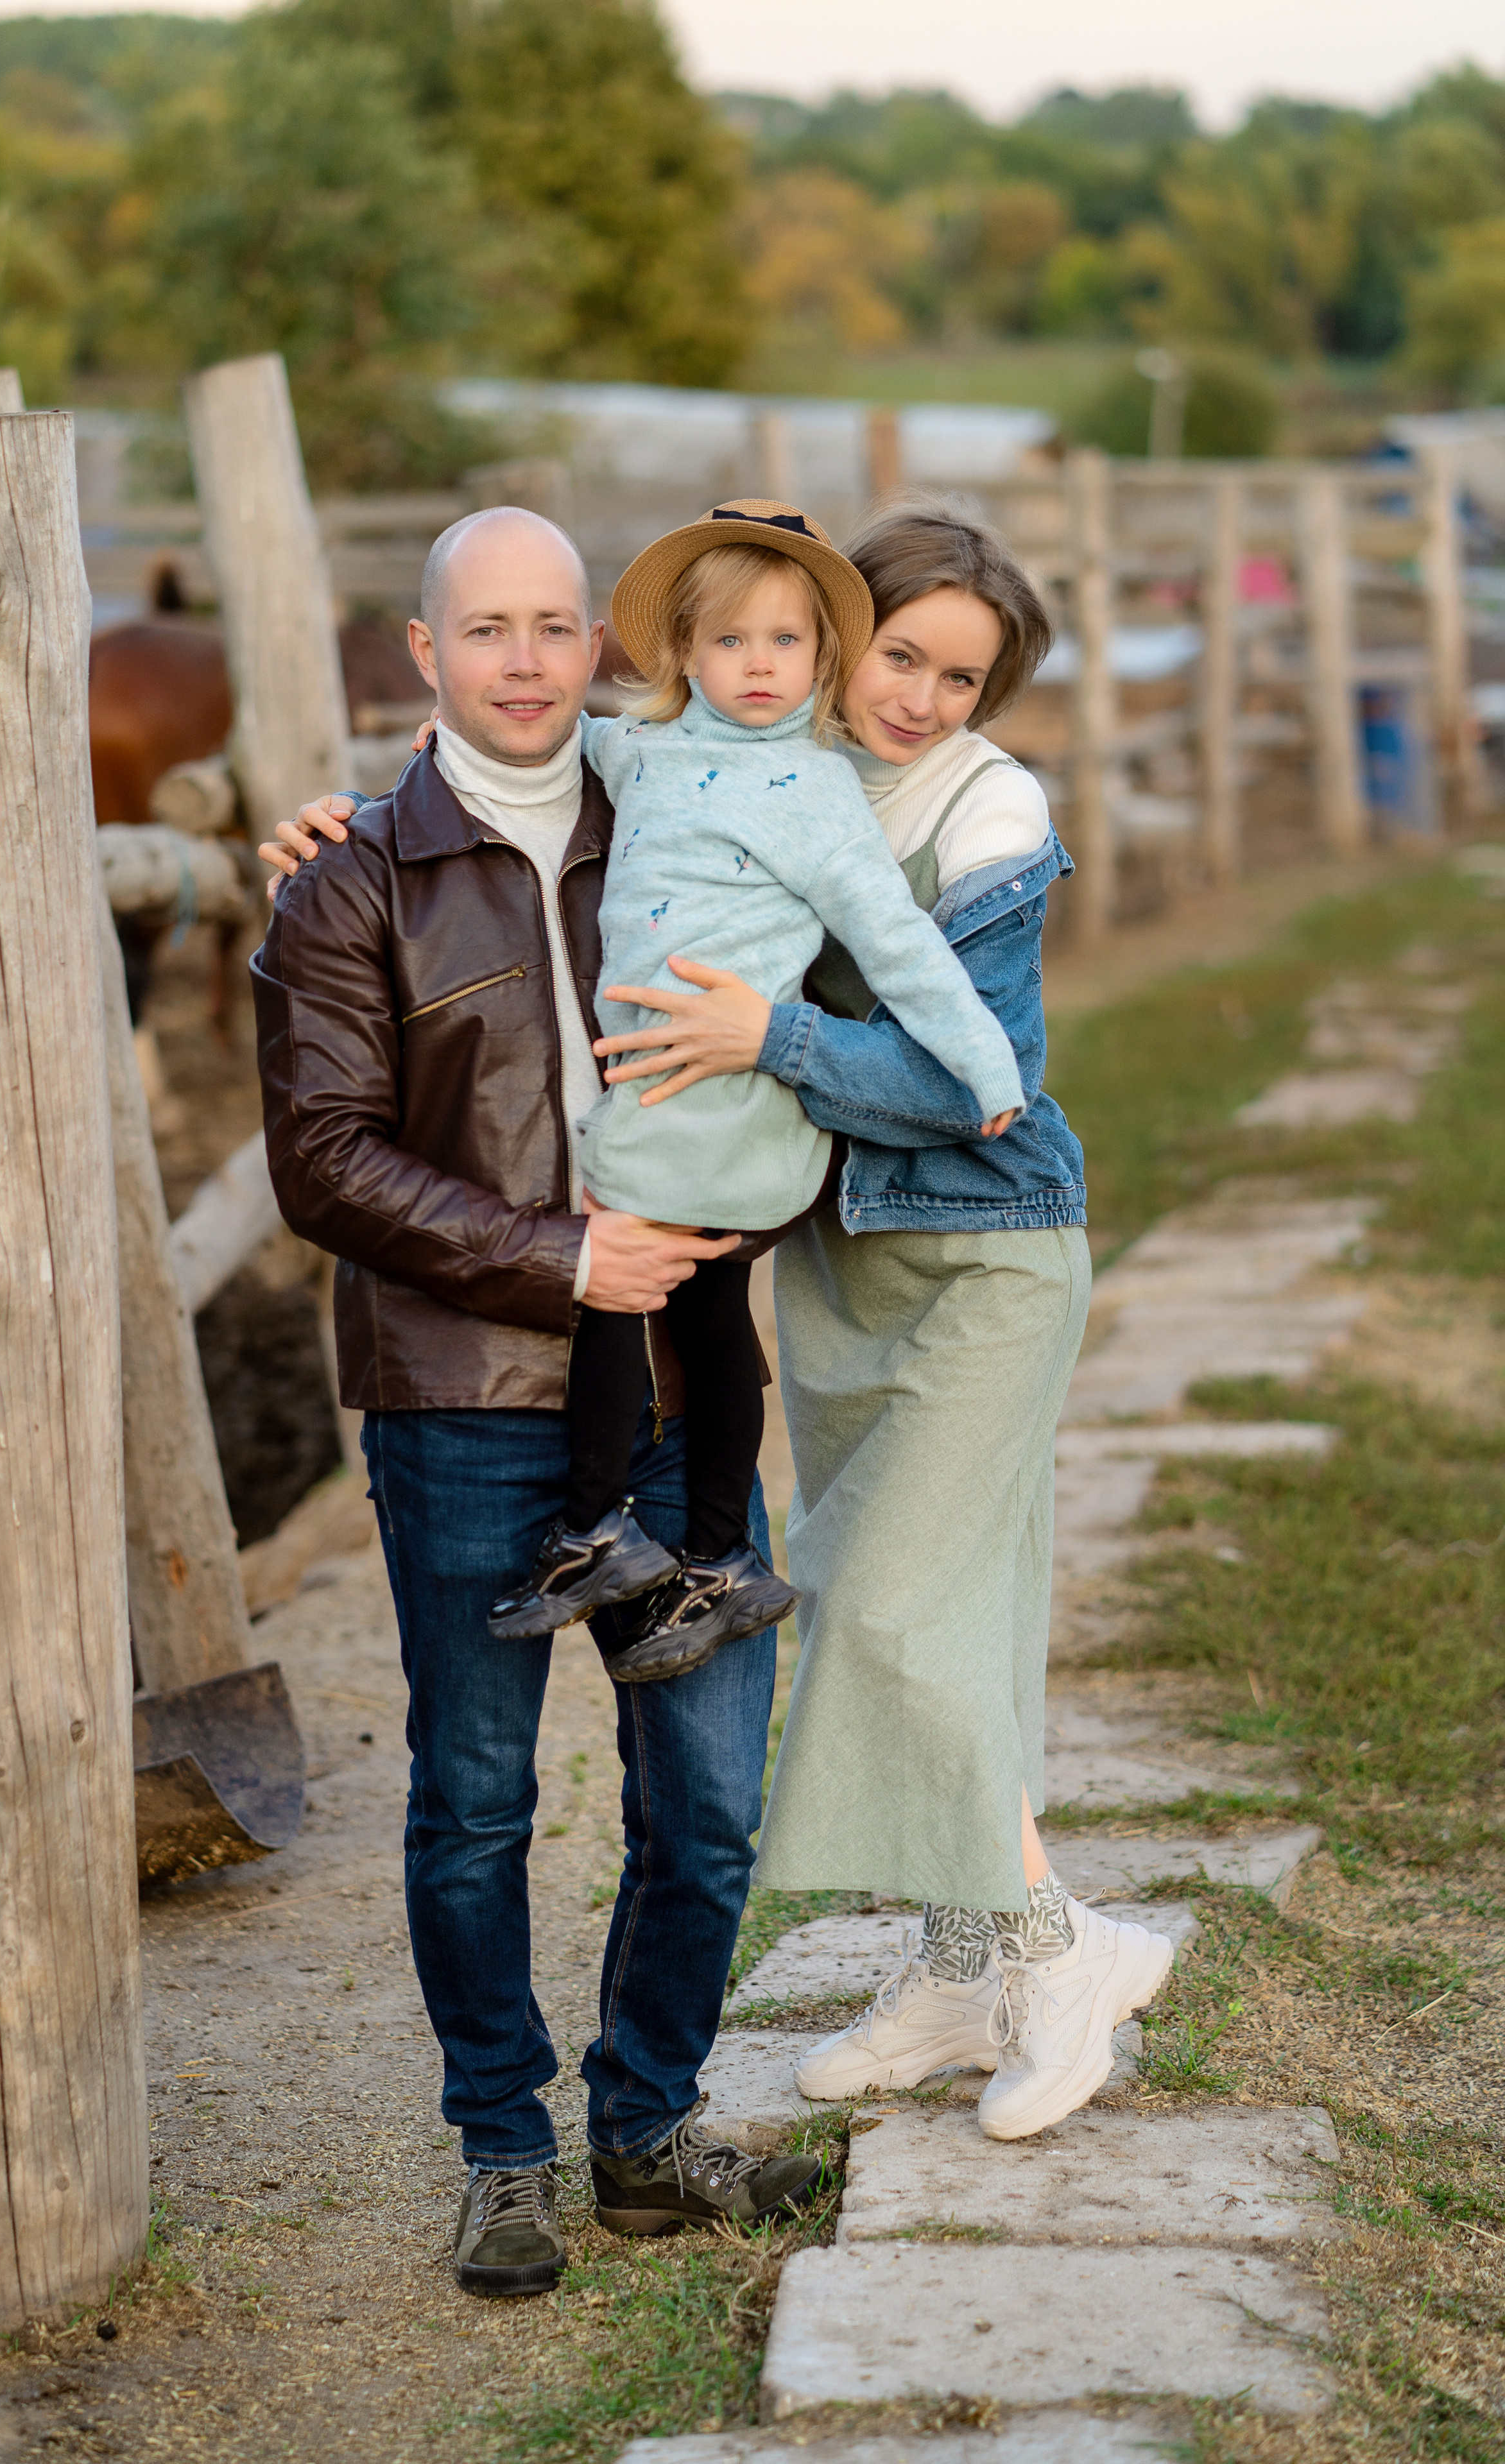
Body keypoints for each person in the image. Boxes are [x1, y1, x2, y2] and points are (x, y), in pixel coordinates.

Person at [268, 497, 1176, 2149]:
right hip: (741, 1294)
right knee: (548, 1771)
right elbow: (519, 769)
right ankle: (931, 1974)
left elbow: (976, 1075)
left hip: (925, 1263)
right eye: (896, 655)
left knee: (858, 1649)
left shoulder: (938, 812)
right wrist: (353, 812)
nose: (914, 695)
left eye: (955, 678)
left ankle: (1038, 1956)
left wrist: (768, 1035)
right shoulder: (657, 779)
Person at [250, 504, 824, 2302]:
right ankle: (504, 2148)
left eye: (555, 626)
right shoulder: (351, 878)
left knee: (713, 1802)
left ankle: (649, 2130)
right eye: (484, 628)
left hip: (678, 1398)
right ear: (423, 654)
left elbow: (863, 824)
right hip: (465, 1403)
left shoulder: (686, 812)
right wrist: (561, 1257)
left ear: (602, 648)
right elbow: (325, 1160)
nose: (521, 660)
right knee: (478, 1802)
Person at [491, 501, 1024, 1682]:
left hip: (712, 1097)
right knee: (705, 1312)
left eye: (787, 644)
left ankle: (594, 1530)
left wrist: (985, 1069)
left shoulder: (815, 794)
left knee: (617, 1284)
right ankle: (720, 1557)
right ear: (682, 654)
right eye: (732, 643)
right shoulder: (643, 748)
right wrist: (404, 775)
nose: (760, 666)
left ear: (822, 659)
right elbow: (532, 750)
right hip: (669, 1088)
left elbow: (899, 946)